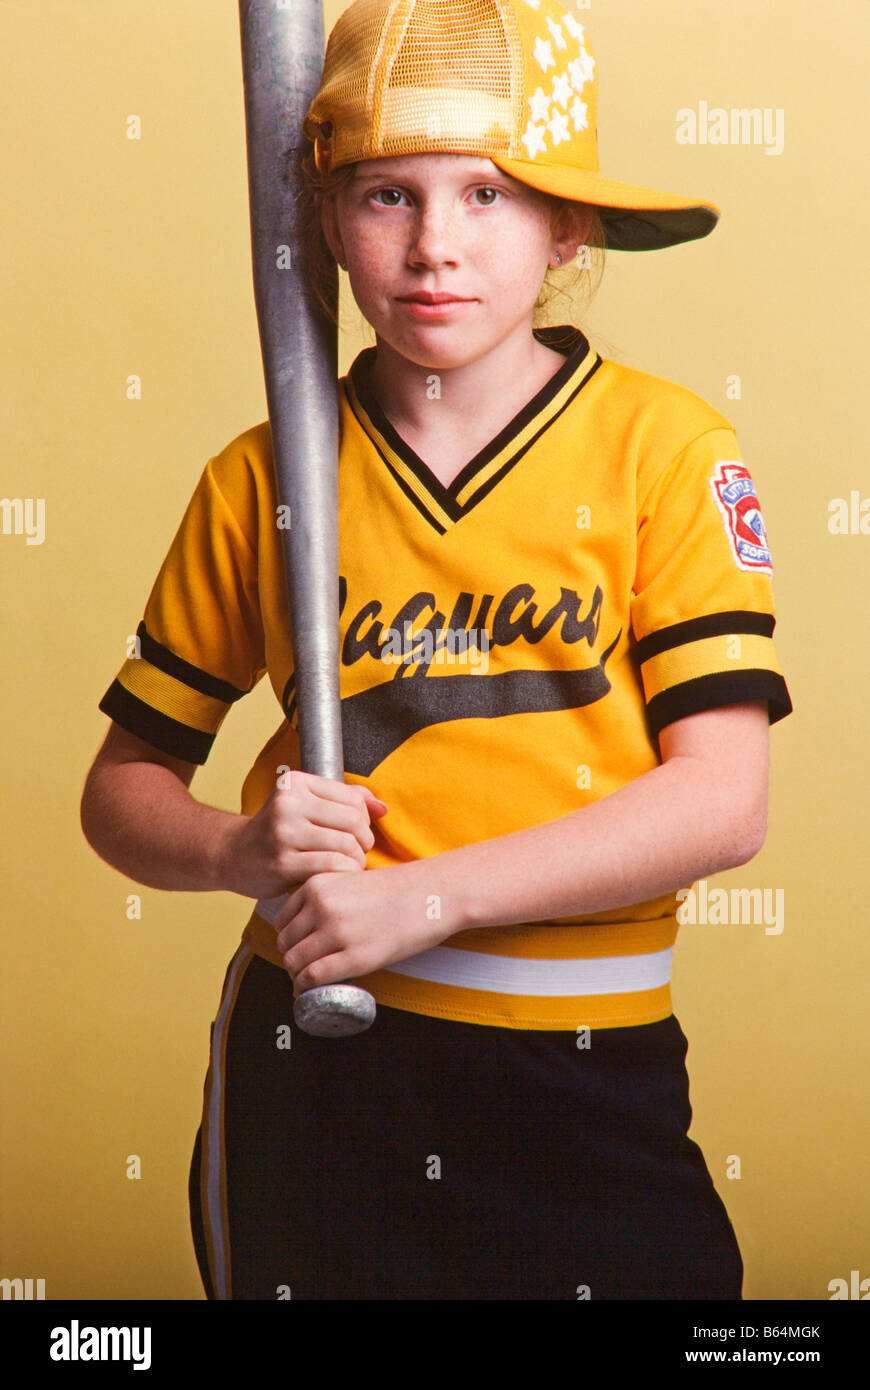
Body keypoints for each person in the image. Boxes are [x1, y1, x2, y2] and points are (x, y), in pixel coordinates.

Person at [81, 0, 792, 1300]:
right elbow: (120, 793)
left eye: (485, 193)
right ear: (324, 221)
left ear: (564, 223)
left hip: (586, 1064)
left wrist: (427, 897)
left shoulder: (664, 452)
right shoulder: (264, 483)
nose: (433, 248)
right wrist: (238, 851)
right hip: (319, 1067)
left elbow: (720, 802)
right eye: (385, 196)